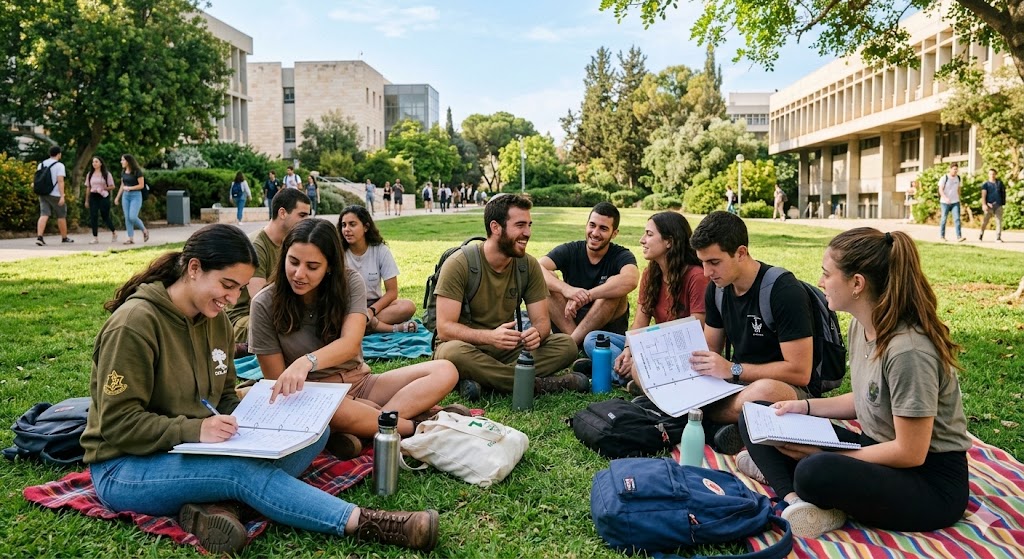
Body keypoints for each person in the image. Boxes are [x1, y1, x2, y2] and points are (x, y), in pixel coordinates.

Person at [82, 223, 439, 555]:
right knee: (240, 472)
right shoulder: (134, 326)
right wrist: (195, 429)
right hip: (125, 468)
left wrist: (255, 423)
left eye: (239, 288)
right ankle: (368, 522)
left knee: (314, 431)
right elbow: (118, 424)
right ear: (193, 269)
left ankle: (221, 505)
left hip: (196, 448)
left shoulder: (215, 320)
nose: (232, 298)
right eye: (226, 285)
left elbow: (222, 397)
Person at [736, 228, 970, 539]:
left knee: (813, 470)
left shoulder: (908, 350)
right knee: (758, 414)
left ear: (857, 283)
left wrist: (826, 456)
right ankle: (795, 501)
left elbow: (911, 452)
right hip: (878, 451)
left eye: (826, 274)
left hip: (929, 483)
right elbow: (865, 398)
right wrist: (801, 407)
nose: (820, 282)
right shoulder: (862, 328)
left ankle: (796, 480)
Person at [248, 219, 460, 442]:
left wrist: (306, 361)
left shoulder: (349, 282)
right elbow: (277, 381)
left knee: (445, 370)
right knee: (335, 411)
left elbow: (350, 345)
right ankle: (414, 426)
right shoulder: (264, 303)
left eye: (312, 267)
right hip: (311, 394)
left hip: (360, 381)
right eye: (293, 262)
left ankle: (366, 424)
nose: (299, 274)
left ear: (330, 266)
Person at [685, 211, 815, 454]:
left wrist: (733, 369)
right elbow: (711, 348)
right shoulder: (717, 289)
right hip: (734, 385)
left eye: (714, 262)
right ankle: (724, 425)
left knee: (762, 391)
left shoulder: (783, 290)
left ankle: (693, 418)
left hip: (785, 390)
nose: (706, 273)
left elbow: (800, 372)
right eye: (702, 262)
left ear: (741, 252)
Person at [432, 194, 583, 401]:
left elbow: (541, 322)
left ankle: (482, 381)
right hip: (463, 346)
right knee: (452, 354)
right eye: (520, 225)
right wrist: (489, 336)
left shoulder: (528, 266)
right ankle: (537, 384)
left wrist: (536, 334)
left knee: (566, 345)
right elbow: (445, 328)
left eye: (529, 225)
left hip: (507, 348)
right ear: (495, 227)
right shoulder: (460, 263)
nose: (527, 233)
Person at [582, 212, 708, 386]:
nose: (642, 240)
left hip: (683, 352)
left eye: (649, 234)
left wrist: (646, 354)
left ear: (669, 241)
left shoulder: (696, 277)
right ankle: (626, 371)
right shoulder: (651, 274)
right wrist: (628, 350)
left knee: (610, 352)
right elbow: (640, 321)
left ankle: (612, 370)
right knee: (594, 339)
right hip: (653, 343)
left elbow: (696, 332)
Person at [539, 202, 639, 352]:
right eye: (592, 225)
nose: (595, 233)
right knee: (546, 280)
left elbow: (631, 279)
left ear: (614, 233)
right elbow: (536, 268)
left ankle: (572, 344)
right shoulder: (571, 249)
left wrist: (588, 295)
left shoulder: (621, 255)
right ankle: (577, 344)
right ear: (586, 225)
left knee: (614, 285)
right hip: (569, 319)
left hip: (604, 327)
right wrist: (567, 290)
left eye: (603, 228)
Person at [225, 189, 312, 344]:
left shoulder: (289, 243)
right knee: (296, 329)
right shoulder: (256, 246)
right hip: (244, 318)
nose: (307, 221)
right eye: (302, 215)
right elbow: (260, 301)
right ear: (283, 213)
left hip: (277, 311)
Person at [338, 205, 417, 334]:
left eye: (352, 224)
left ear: (366, 227)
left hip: (376, 307)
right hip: (348, 307)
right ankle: (385, 328)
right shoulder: (339, 252)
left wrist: (372, 310)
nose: (346, 229)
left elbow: (392, 292)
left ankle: (361, 326)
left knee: (408, 306)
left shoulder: (381, 250)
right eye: (343, 225)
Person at [35, 145, 73, 246]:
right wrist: (62, 196)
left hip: (43, 193)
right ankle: (64, 237)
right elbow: (60, 181)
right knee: (61, 215)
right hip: (55, 194)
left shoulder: (41, 164)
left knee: (44, 214)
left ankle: (40, 237)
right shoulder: (59, 166)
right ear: (59, 154)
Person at [114, 154, 150, 245]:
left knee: (132, 216)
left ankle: (144, 230)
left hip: (136, 195)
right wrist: (117, 197)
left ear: (128, 161)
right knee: (127, 218)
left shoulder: (137, 172)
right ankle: (130, 238)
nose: (121, 162)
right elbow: (122, 185)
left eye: (123, 160)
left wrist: (131, 188)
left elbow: (141, 185)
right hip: (125, 196)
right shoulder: (123, 172)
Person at [84, 156, 117, 245]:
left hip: (103, 196)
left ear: (101, 163)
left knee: (105, 216)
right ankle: (95, 237)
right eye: (93, 162)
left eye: (96, 162)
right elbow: (88, 187)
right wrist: (86, 200)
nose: (94, 163)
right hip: (93, 196)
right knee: (93, 216)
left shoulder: (106, 174)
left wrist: (104, 188)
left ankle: (114, 232)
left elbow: (112, 186)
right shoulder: (90, 174)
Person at [938, 164, 965, 242]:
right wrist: (945, 198)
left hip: (955, 201)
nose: (955, 171)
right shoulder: (944, 178)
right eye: (954, 169)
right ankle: (942, 236)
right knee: (944, 219)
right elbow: (940, 190)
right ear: (950, 169)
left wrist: (959, 198)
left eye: (956, 169)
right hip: (944, 202)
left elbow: (959, 189)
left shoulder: (958, 178)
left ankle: (959, 236)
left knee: (957, 219)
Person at [979, 168, 1006, 242]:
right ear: (988, 175)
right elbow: (983, 195)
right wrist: (984, 204)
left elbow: (1003, 193)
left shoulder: (999, 183)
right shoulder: (986, 184)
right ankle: (981, 233)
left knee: (998, 221)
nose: (992, 175)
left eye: (993, 174)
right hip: (989, 205)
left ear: (996, 174)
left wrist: (1003, 203)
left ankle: (998, 237)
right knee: (985, 221)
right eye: (990, 174)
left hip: (998, 204)